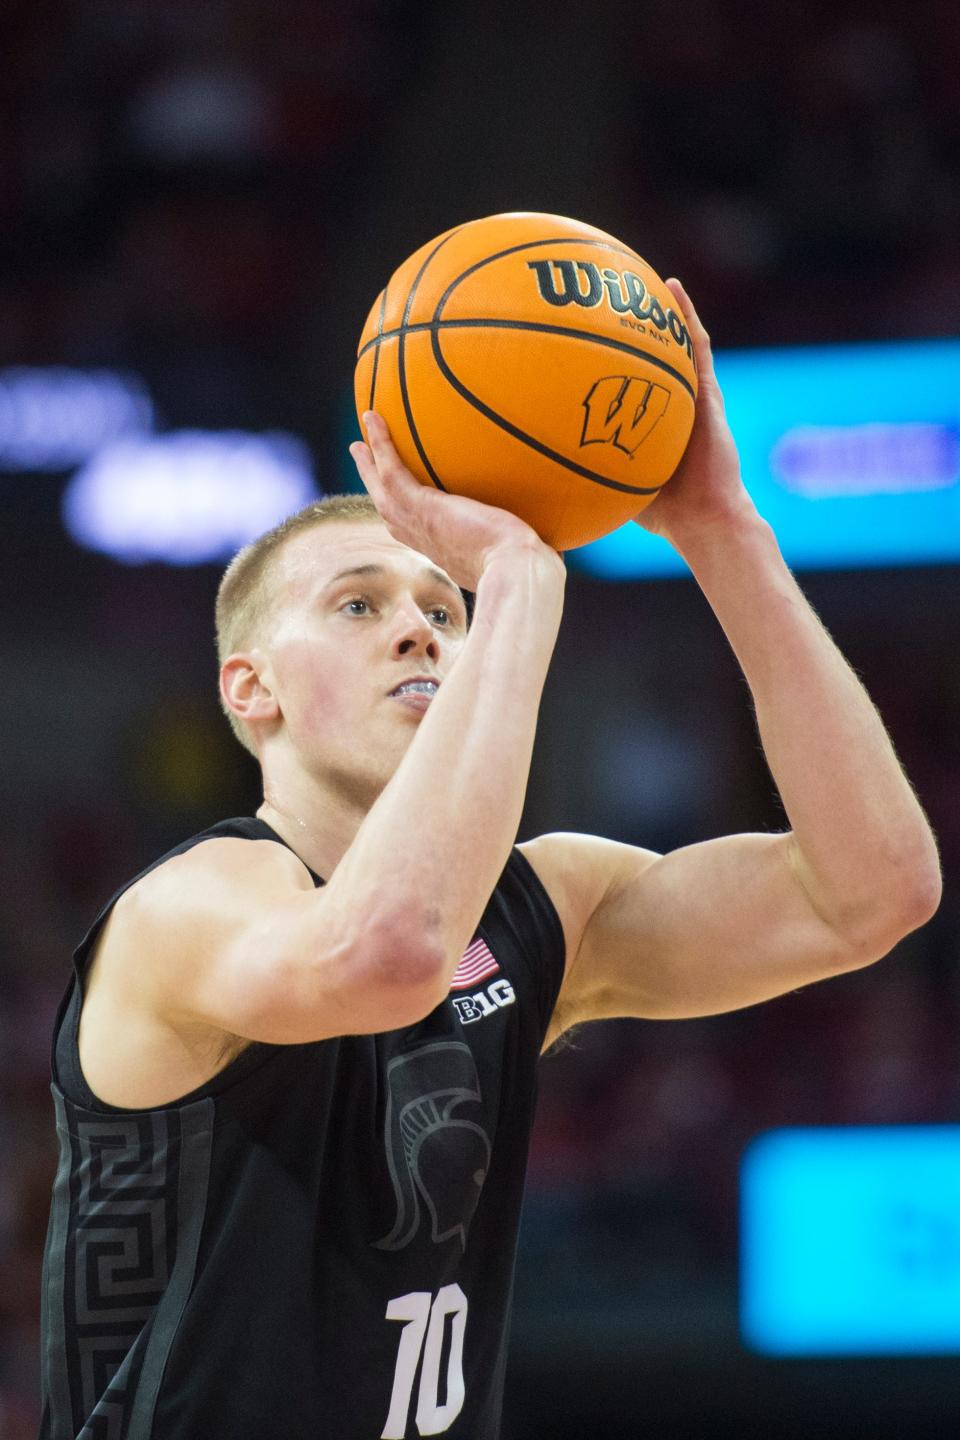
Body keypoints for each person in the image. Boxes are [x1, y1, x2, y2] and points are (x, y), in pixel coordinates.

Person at [39, 281, 940, 1440]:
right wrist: (516, 581)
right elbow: (389, 952)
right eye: (357, 606)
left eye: (443, 606)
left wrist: (725, 532)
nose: (419, 626)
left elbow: (874, 891)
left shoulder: (541, 905)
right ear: (250, 690)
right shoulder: (190, 905)